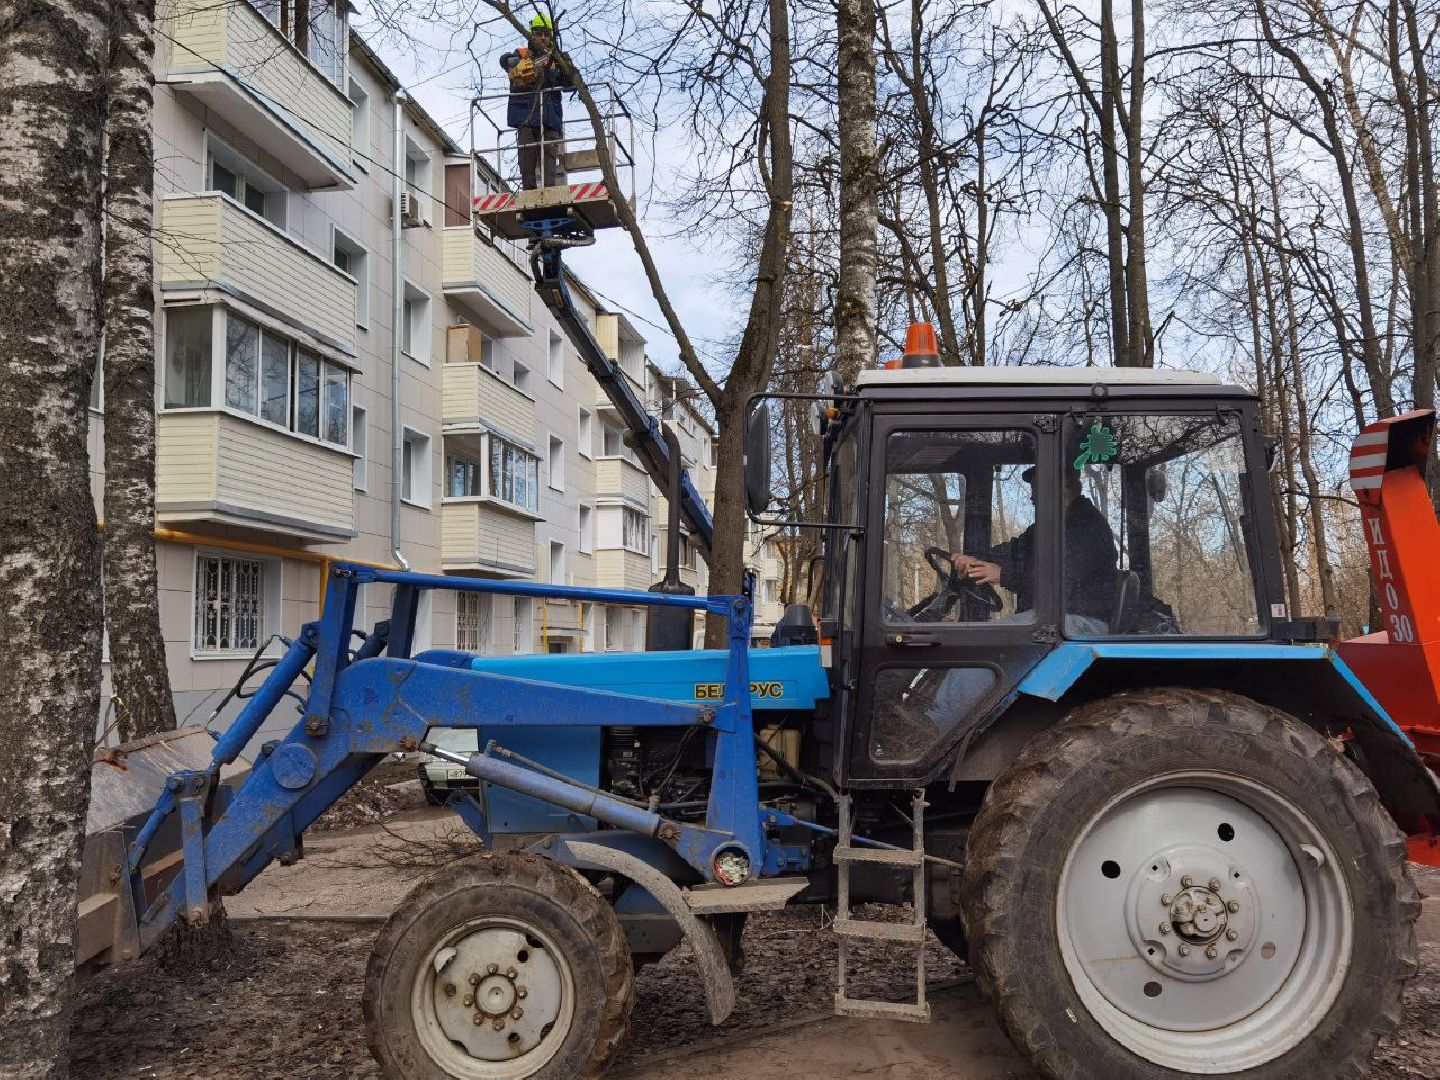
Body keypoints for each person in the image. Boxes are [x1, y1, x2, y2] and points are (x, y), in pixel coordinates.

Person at [952, 467, 1118, 631]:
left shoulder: (1085, 527)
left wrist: (1002, 574)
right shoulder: (1047, 528)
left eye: (1037, 489)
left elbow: (1055, 579)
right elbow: (1013, 550)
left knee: (983, 637)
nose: (1032, 497)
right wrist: (976, 560)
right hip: (1056, 620)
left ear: (1066, 488)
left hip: (1083, 622)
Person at [499, 14, 572, 190]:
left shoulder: (558, 59)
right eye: (539, 33)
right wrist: (515, 63)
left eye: (546, 34)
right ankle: (529, 190)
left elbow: (571, 84)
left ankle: (549, 190)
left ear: (551, 37)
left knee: (549, 154)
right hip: (526, 113)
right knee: (526, 152)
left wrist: (563, 67)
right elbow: (504, 60)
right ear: (532, 34)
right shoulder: (522, 54)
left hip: (550, 115)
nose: (543, 37)